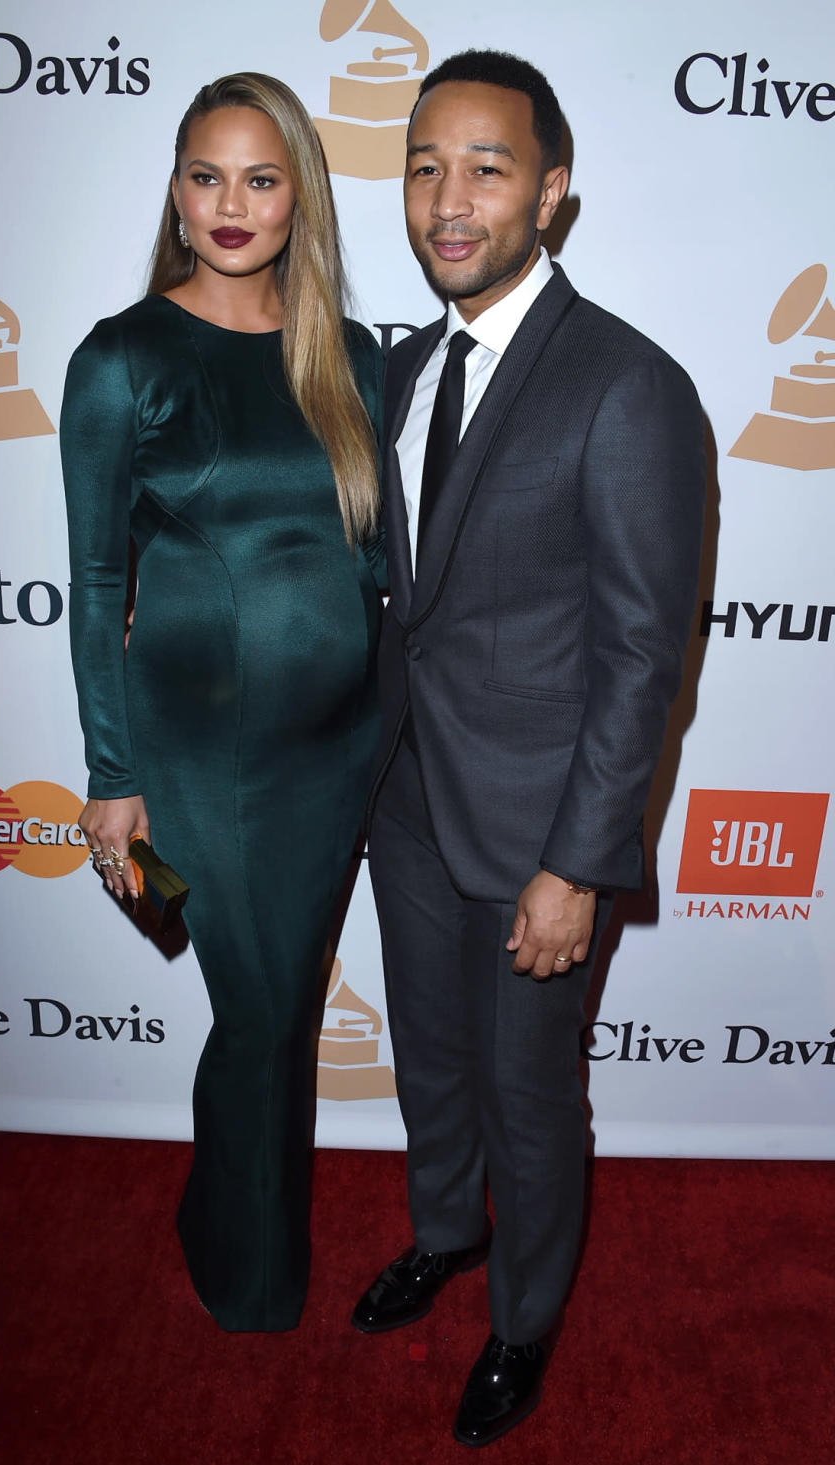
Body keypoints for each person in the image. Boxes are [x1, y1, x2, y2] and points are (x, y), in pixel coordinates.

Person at [351, 49, 706, 1446]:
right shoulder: (404, 367)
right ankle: (448, 1232)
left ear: (551, 192)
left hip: (540, 833)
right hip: (408, 801)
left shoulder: (629, 385)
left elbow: (640, 655)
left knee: (528, 1093)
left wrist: (579, 863)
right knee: (429, 1061)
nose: (450, 198)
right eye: (425, 166)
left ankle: (526, 1317)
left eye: (487, 167)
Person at [60, 72, 385, 1333]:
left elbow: (372, 562)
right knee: (257, 1016)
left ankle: (222, 1207)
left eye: (261, 177)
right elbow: (95, 584)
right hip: (199, 755)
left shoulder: (350, 356)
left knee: (280, 1007)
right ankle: (249, 1273)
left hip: (338, 750)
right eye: (207, 176)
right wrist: (110, 774)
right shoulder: (123, 358)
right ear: (176, 192)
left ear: (299, 193)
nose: (231, 204)